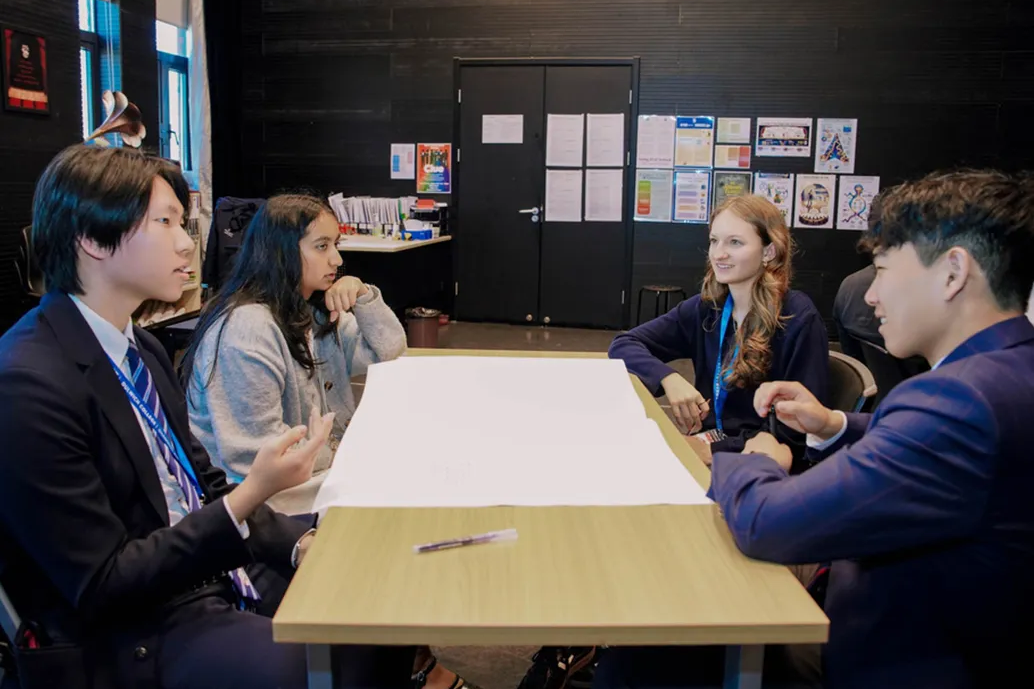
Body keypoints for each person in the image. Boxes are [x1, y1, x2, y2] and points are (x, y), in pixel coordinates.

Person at [0, 145, 415, 688]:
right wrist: (251, 497)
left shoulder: (139, 348)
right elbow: (102, 583)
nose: (186, 242)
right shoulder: (28, 382)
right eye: (165, 222)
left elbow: (204, 486)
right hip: (131, 628)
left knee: (388, 577)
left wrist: (298, 543)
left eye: (183, 221)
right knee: (345, 654)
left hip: (202, 566)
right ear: (93, 241)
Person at [697, 170, 1033, 688]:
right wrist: (835, 424)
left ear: (953, 273)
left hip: (885, 654)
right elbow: (926, 445)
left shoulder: (958, 402)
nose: (870, 296)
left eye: (882, 271)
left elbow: (766, 522)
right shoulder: (1007, 369)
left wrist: (752, 460)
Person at [181, 193, 407, 516]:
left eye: (336, 245)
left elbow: (389, 354)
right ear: (281, 251)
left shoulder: (311, 309)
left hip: (311, 476)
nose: (337, 260)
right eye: (322, 246)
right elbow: (256, 457)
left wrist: (363, 294)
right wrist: (343, 452)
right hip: (262, 505)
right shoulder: (247, 329)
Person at [608, 194, 828, 470]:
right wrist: (669, 378)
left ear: (768, 252)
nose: (718, 253)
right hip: (711, 443)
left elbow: (795, 431)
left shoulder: (797, 317)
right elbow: (624, 344)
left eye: (735, 242)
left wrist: (713, 451)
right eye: (714, 240)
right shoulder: (708, 308)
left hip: (764, 462)